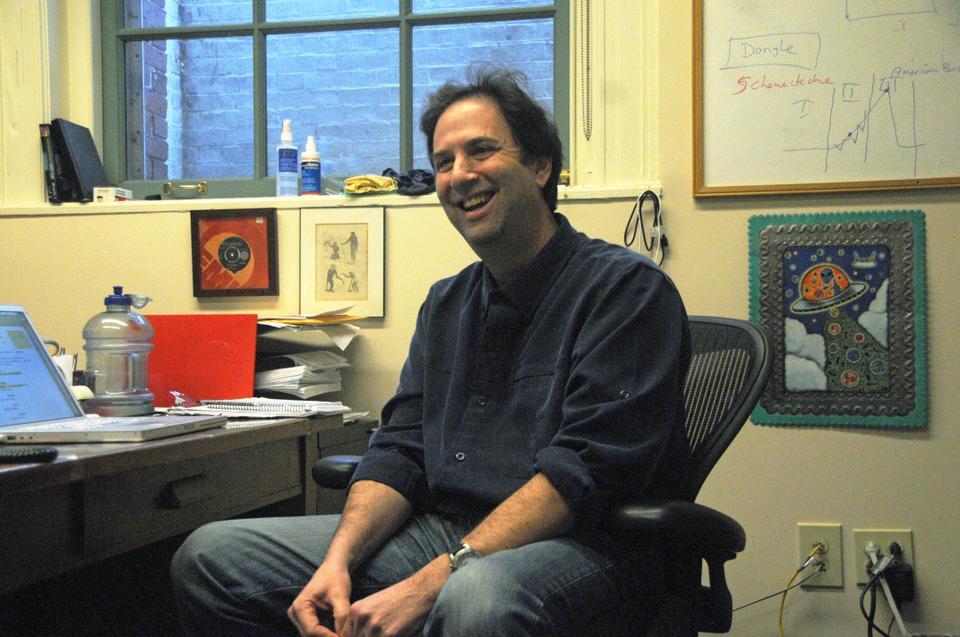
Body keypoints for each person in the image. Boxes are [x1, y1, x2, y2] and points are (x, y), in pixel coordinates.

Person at [171, 68, 691, 637]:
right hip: (445, 535)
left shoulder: (625, 291)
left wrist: (429, 584)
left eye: (481, 151)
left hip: (586, 545)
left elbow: (582, 475)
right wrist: (337, 562)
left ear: (540, 166)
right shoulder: (447, 304)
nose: (459, 175)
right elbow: (401, 449)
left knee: (478, 598)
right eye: (443, 161)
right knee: (213, 558)